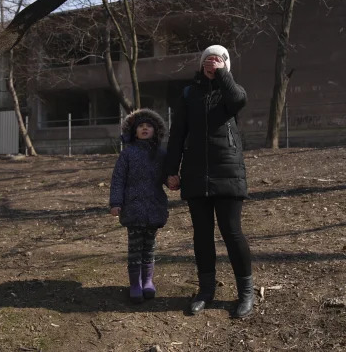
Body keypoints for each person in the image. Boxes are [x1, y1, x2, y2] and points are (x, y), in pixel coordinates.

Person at [165, 44, 254, 319]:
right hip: (195, 173)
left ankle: (246, 293)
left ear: (225, 64)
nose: (211, 63)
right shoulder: (190, 93)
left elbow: (239, 100)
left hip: (227, 170)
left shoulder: (231, 90)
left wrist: (222, 75)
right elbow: (177, 133)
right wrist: (171, 169)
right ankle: (205, 291)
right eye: (207, 60)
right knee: (202, 235)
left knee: (231, 231)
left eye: (217, 59)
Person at [109, 108, 169, 304]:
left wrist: (173, 181)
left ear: (155, 131)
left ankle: (147, 281)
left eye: (148, 126)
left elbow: (167, 175)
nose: (144, 129)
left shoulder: (161, 153)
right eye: (141, 126)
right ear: (134, 131)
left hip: (154, 206)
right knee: (135, 247)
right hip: (132, 207)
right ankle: (135, 284)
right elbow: (118, 179)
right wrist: (116, 202)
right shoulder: (127, 154)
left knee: (149, 246)